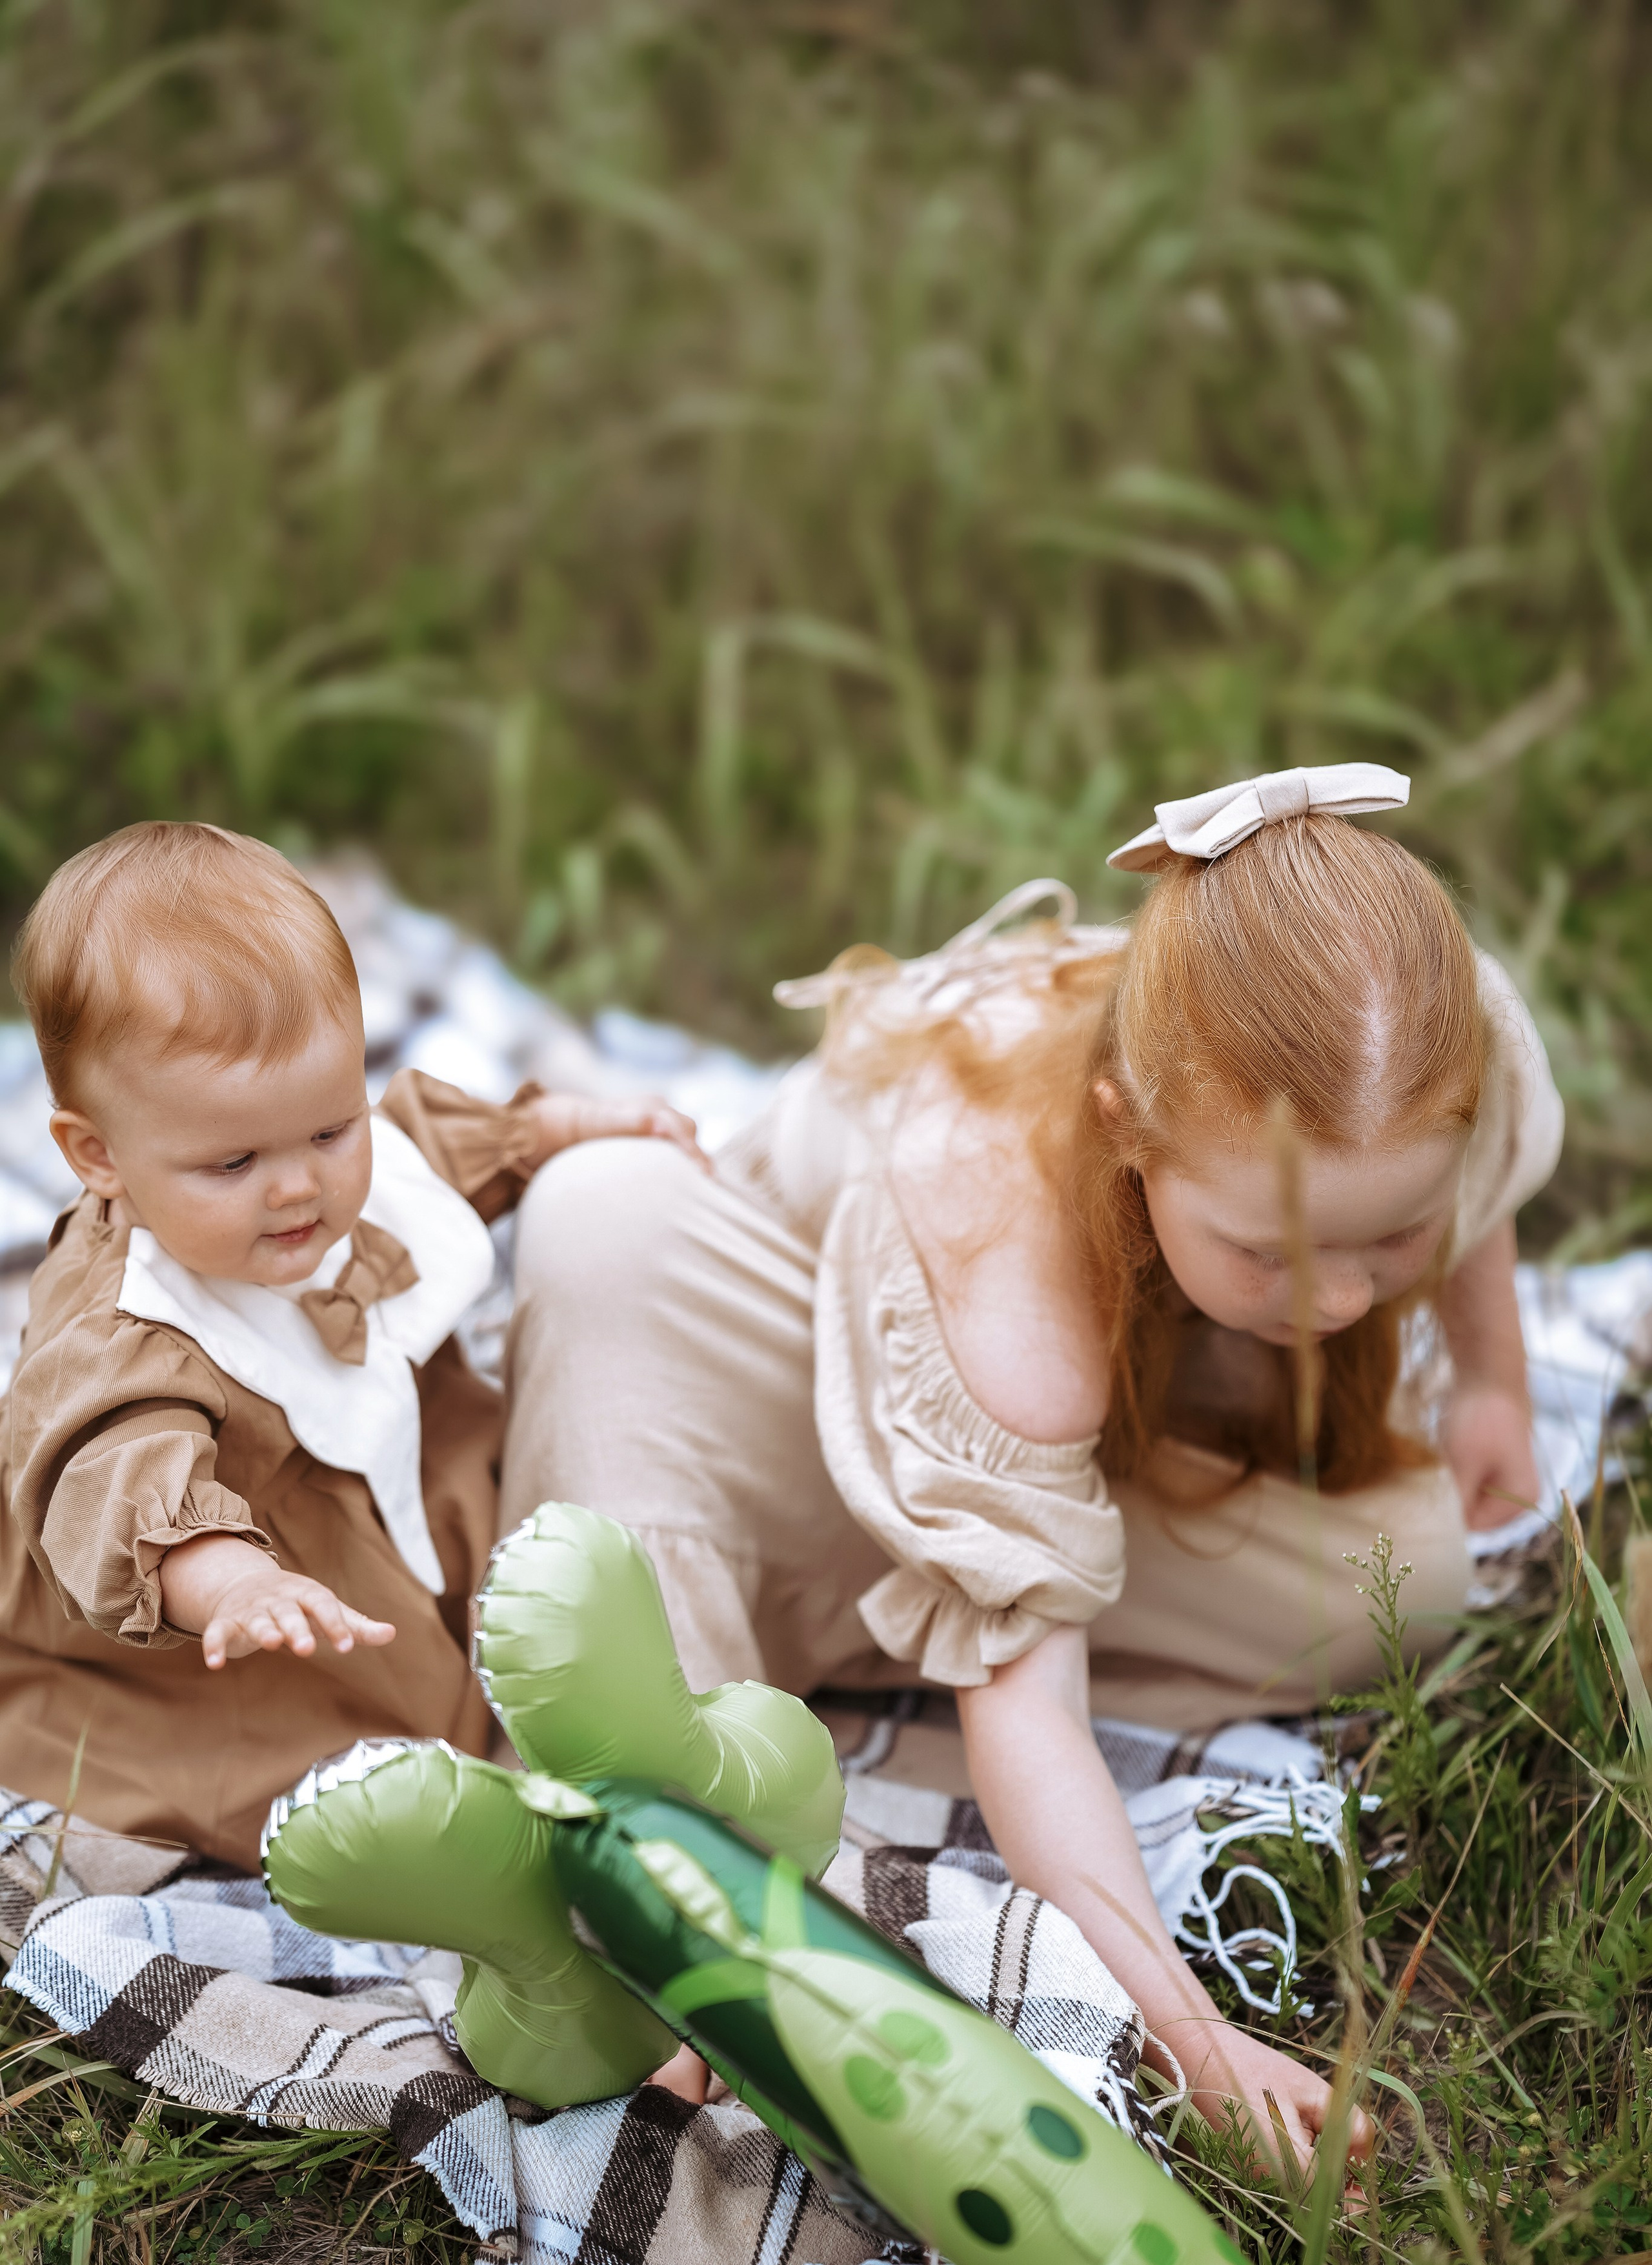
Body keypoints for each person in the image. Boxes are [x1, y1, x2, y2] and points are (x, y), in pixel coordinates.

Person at [499, 765, 1563, 2173]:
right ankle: (671, 1844)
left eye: (1387, 1238)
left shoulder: (1432, 1040)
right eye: (1270, 1252)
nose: (1340, 1304)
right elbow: (1033, 1716)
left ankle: (879, 1617)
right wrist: (1192, 2041)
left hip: (1011, 1456)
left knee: (1409, 1588)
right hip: (756, 1406)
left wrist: (1489, 1377)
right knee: (605, 1223)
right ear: (1126, 1130)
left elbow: (1469, 1191)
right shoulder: (1003, 1247)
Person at [0, 820, 702, 1870]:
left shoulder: (345, 1167)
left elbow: (443, 1138)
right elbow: (115, 1478)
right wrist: (232, 1582)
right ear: (96, 1154)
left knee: (509, 1585)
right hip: (230, 1640)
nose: (299, 1187)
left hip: (399, 1507)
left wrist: (577, 1121)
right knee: (335, 1788)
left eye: (330, 1130)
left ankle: (507, 1713)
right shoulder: (121, 1332)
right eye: (233, 1161)